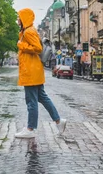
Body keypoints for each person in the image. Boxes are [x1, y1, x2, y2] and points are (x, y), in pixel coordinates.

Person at [15, 8, 66, 139]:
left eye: (19, 17)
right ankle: (59, 121)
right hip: (34, 70)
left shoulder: (28, 32)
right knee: (42, 97)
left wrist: (22, 46)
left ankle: (31, 129)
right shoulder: (28, 31)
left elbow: (37, 48)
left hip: (31, 72)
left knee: (31, 101)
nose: (17, 20)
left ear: (24, 18)